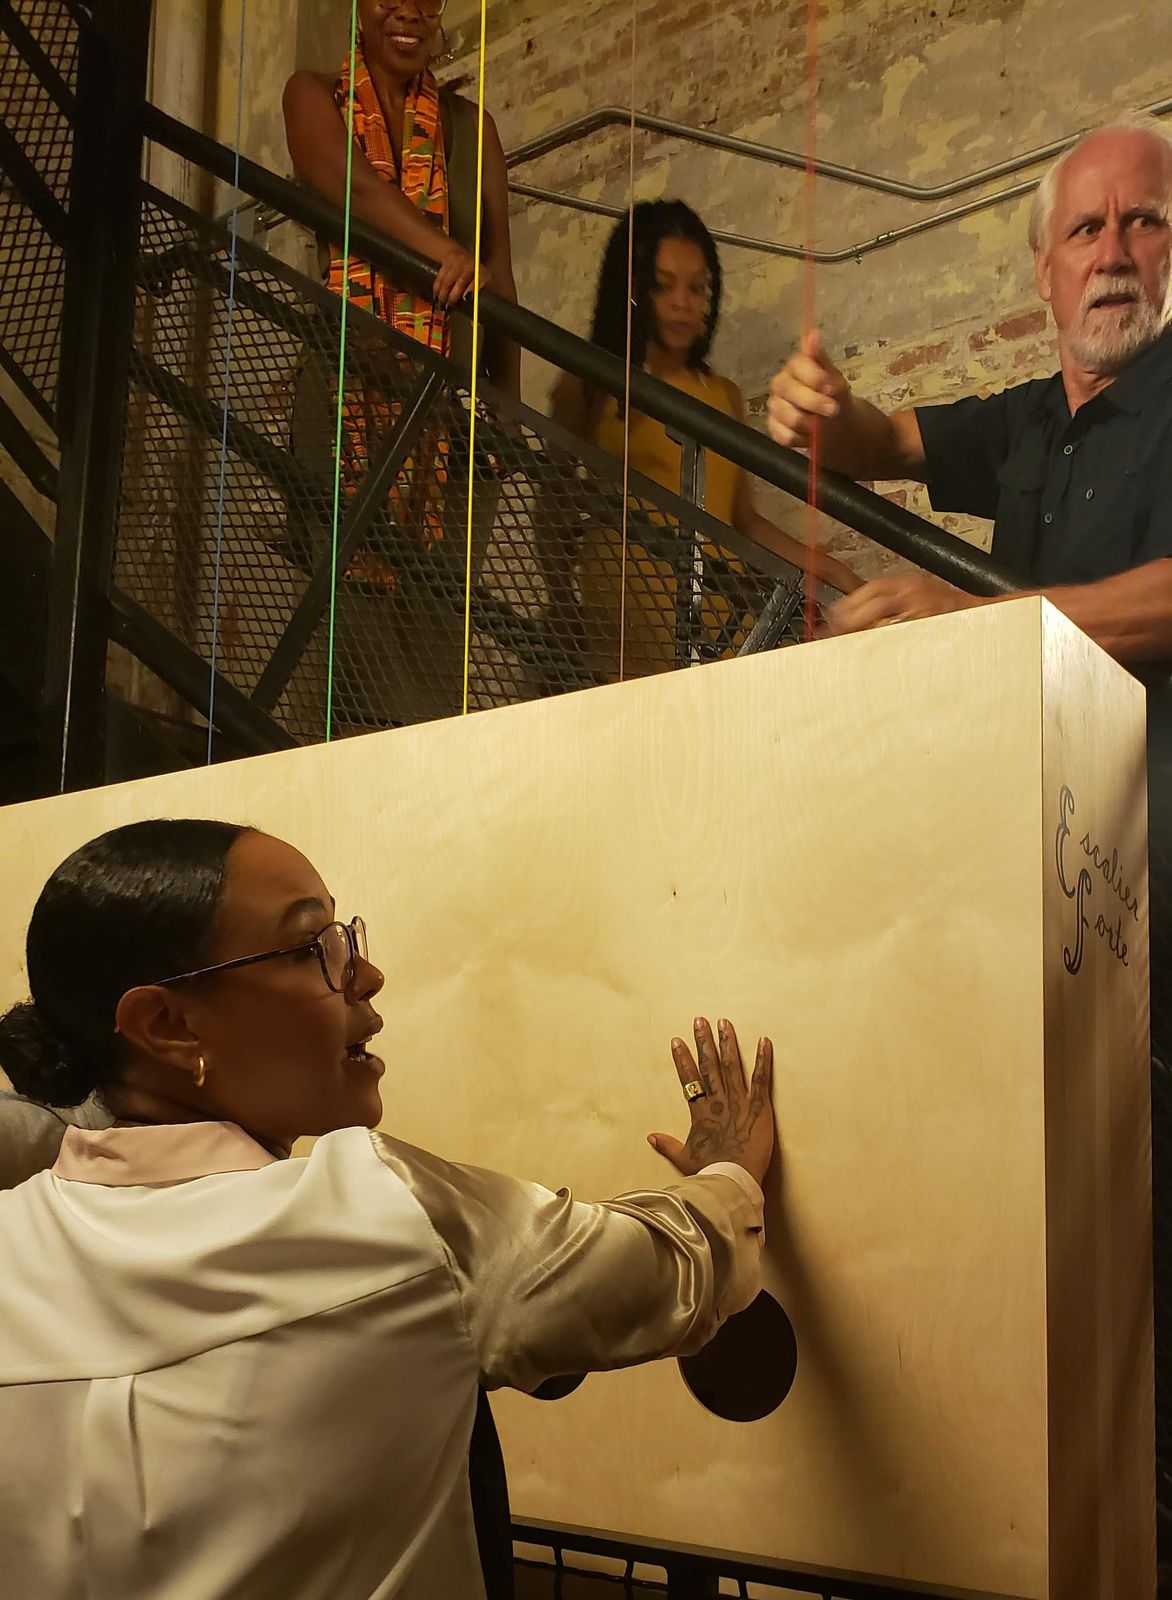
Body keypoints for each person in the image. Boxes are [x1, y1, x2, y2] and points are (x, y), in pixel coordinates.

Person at [0, 819, 774, 1600]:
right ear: (169, 1025)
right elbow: (676, 1262)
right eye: (312, 949)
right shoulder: (380, 1214)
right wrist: (729, 1172)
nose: (366, 975)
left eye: (345, 939)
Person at [767, 111, 1172, 1578]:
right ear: (1043, 268)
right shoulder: (1028, 421)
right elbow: (878, 442)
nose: (1114, 251)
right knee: (1037, 1245)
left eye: (1144, 222)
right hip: (1029, 892)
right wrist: (817, 408)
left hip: (1156, 894)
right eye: (1085, 228)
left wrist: (979, 619)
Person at [283, 0, 518, 729]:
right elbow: (349, 184)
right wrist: (442, 251)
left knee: (440, 635)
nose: (409, 12)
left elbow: (501, 281)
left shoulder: (471, 129)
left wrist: (506, 417)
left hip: (442, 415)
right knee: (356, 634)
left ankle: (429, 771)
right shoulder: (313, 95)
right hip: (343, 392)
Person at [550, 200, 860, 681]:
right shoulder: (591, 383)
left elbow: (741, 520)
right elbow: (554, 503)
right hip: (625, 601)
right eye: (663, 285)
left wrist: (830, 568)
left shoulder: (722, 395)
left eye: (697, 288)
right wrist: (558, 600)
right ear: (631, 289)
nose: (683, 302)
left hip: (715, 602)